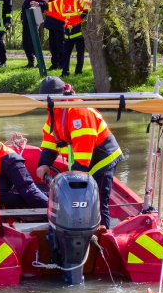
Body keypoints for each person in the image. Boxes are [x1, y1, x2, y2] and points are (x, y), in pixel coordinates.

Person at [35, 76, 123, 228]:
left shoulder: (79, 111)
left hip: (102, 159)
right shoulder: (55, 111)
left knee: (98, 203)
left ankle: (103, 240)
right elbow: (50, 141)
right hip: (84, 161)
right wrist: (44, 164)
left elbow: (84, 144)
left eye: (45, 99)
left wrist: (76, 175)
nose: (43, 103)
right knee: (81, 202)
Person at [60, 0, 91, 76]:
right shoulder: (62, 0)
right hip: (67, 30)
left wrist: (83, 15)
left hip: (78, 29)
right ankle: (65, 72)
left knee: (80, 52)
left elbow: (87, 2)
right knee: (65, 53)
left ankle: (78, 71)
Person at [20, 0, 45, 68]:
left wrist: (38, 4)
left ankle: (40, 62)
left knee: (33, 42)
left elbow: (46, 4)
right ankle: (30, 62)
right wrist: (22, 18)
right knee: (26, 43)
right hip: (26, 22)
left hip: (34, 22)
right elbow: (23, 9)